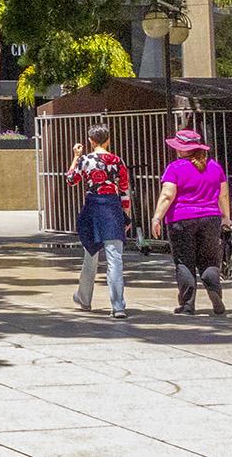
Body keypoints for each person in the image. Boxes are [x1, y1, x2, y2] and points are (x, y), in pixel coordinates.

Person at [150, 129, 232, 316]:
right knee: (210, 260)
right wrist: (226, 218)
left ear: (182, 149)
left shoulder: (175, 168)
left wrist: (157, 218)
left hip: (181, 219)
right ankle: (215, 293)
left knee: (184, 261)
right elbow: (223, 194)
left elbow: (167, 195)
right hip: (211, 219)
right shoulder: (215, 167)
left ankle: (187, 305)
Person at [66, 124, 130, 319]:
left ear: (91, 141)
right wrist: (126, 216)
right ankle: (118, 305)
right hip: (112, 208)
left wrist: (76, 156)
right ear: (108, 140)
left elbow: (71, 179)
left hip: (93, 208)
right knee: (115, 258)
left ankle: (84, 299)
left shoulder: (85, 160)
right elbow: (125, 189)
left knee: (90, 254)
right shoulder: (117, 161)